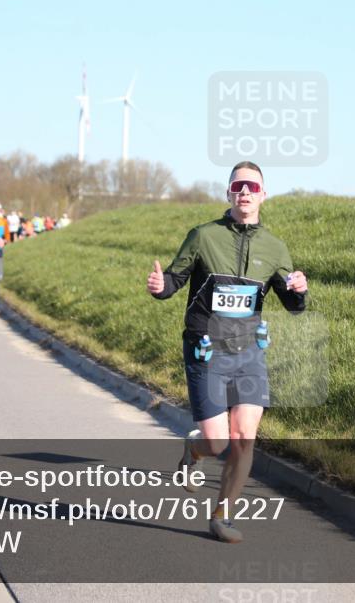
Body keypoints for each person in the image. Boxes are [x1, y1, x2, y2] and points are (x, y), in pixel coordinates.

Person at [146, 161, 308, 543]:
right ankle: (195, 450)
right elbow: (174, 279)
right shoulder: (203, 236)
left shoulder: (274, 246)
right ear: (228, 194)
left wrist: (299, 290)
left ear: (264, 194)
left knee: (244, 437)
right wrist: (159, 286)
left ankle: (222, 515)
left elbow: (292, 302)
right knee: (217, 442)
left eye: (253, 186)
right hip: (206, 349)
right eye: (238, 187)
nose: (245, 193)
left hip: (250, 350)